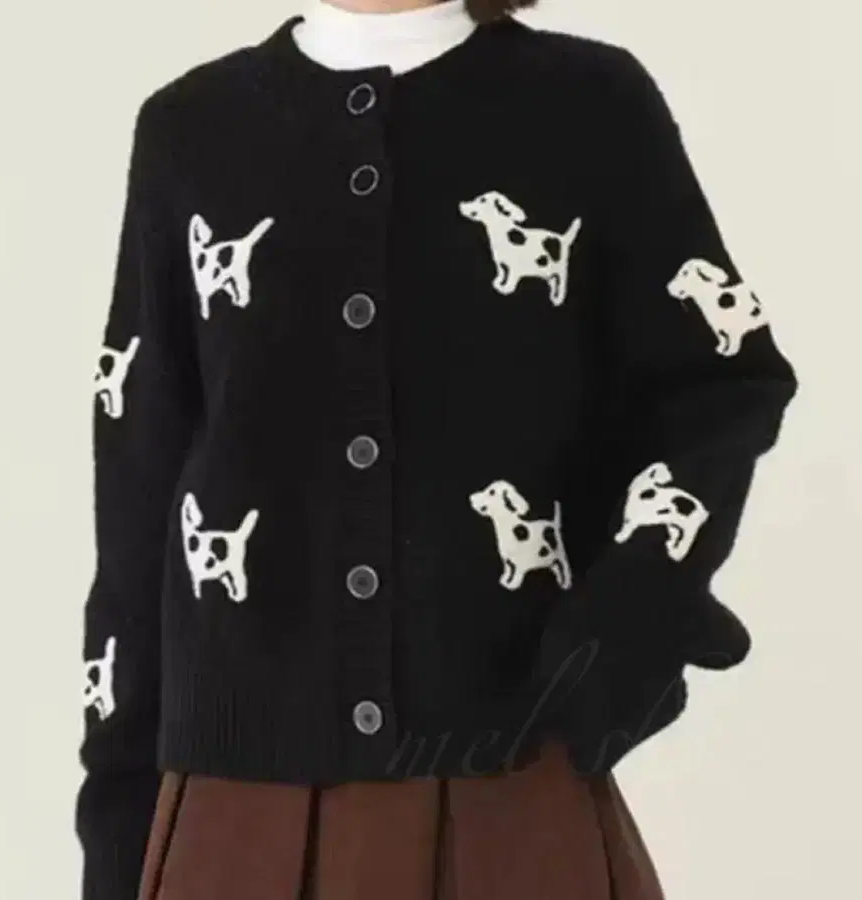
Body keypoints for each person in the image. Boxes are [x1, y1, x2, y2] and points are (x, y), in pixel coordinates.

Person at [77, 1, 798, 898]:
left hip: (514, 788)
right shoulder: (190, 130)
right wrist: (117, 822)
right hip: (232, 821)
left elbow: (721, 382)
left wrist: (638, 603)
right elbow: (139, 485)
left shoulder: (589, 104)